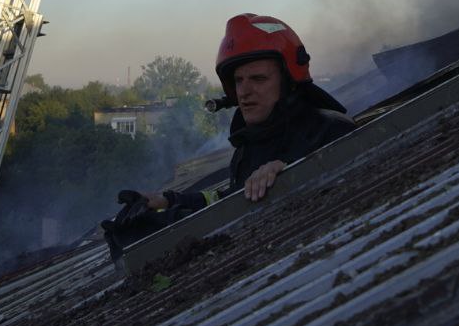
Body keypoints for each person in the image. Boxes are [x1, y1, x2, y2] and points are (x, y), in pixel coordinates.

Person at [102, 14, 356, 253]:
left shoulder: (331, 131)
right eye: (238, 81)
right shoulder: (252, 145)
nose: (244, 92)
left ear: (289, 82)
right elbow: (228, 199)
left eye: (258, 79)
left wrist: (291, 170)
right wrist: (168, 201)